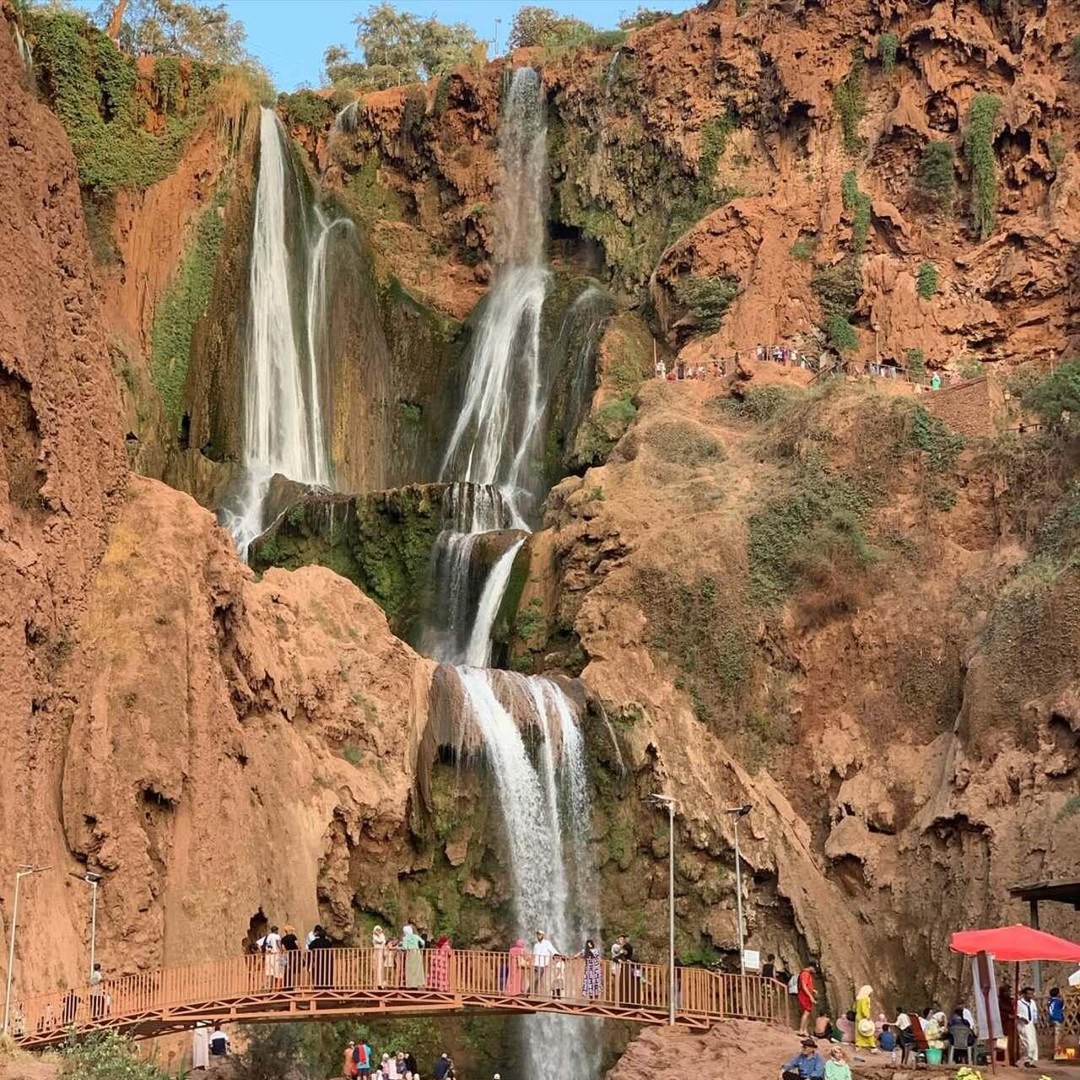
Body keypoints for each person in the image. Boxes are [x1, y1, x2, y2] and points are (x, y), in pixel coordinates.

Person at [1017, 985, 1039, 1066]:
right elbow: (1016, 1013)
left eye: (1031, 994)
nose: (1030, 996)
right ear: (1025, 994)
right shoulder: (1019, 1003)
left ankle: (1032, 1060)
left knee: (1033, 1042)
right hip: (1023, 1024)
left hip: (1031, 1023)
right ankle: (1026, 1059)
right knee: (1027, 1042)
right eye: (1028, 994)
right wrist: (1022, 1018)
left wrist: (1035, 1021)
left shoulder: (1032, 1003)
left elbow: (1035, 1012)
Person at [309, 924, 334, 988]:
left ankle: (318, 985)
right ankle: (328, 985)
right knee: (328, 971)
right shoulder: (327, 941)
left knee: (319, 971)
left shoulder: (316, 941)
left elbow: (310, 947)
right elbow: (331, 945)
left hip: (319, 959)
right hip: (328, 959)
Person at [796, 962, 818, 1036]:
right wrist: (810, 996)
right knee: (806, 1012)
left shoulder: (807, 974)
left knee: (807, 1012)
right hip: (804, 995)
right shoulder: (805, 974)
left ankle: (805, 1030)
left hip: (806, 995)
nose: (815, 971)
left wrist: (813, 990)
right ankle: (801, 1030)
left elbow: (807, 985)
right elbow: (804, 986)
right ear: (811, 967)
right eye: (815, 969)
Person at [532, 930, 557, 995]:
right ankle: (534, 993)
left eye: (540, 935)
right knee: (536, 979)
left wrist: (559, 956)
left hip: (542, 964)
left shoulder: (547, 943)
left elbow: (553, 950)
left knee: (536, 979)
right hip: (536, 964)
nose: (538, 936)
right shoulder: (536, 945)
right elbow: (534, 954)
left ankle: (529, 992)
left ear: (543, 935)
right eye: (537, 935)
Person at [854, 986, 875, 1051]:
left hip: (858, 1017)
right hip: (863, 1017)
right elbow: (864, 1009)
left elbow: (854, 1008)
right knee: (868, 1030)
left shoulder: (858, 999)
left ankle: (858, 1045)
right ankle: (871, 1045)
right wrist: (867, 1016)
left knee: (859, 1031)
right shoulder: (865, 998)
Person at [282, 924, 300, 989]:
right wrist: (300, 950)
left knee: (288, 970)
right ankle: (297, 986)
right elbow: (297, 944)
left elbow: (283, 948)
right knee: (296, 970)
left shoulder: (283, 939)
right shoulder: (293, 936)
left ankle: (288, 985)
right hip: (295, 954)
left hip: (288, 954)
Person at [1048, 986, 1065, 1053]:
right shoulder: (1058, 1001)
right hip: (1058, 1018)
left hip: (1052, 1018)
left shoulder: (1050, 1001)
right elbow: (1063, 1007)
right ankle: (1056, 1048)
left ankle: (1057, 1047)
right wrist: (1063, 998)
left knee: (1056, 1033)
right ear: (1058, 994)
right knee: (1058, 1034)